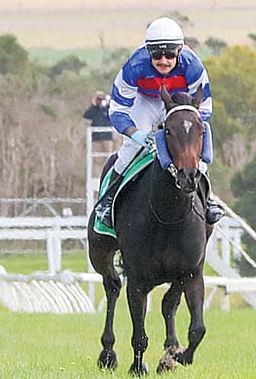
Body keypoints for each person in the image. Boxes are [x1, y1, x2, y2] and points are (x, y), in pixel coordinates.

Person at [93, 17, 220, 229]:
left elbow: (204, 108)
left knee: (193, 145)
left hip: (180, 102)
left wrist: (188, 129)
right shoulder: (134, 66)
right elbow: (117, 110)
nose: (163, 60)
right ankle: (107, 201)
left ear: (179, 51)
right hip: (146, 101)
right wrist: (136, 134)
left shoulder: (193, 66)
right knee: (131, 148)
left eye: (169, 54)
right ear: (147, 51)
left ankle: (209, 200)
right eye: (156, 54)